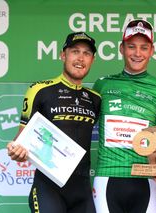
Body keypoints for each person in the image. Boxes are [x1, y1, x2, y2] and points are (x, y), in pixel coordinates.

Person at [6, 32, 101, 213]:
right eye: (75, 51)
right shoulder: (40, 90)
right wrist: (15, 149)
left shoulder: (95, 99)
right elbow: (20, 139)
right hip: (48, 187)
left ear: (92, 60)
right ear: (63, 55)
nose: (80, 58)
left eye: (86, 53)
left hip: (82, 188)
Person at [92, 19, 156, 213]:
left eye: (143, 48)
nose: (137, 53)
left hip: (145, 181)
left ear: (152, 51)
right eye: (131, 46)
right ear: (122, 48)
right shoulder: (103, 85)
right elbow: (81, 127)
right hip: (107, 177)